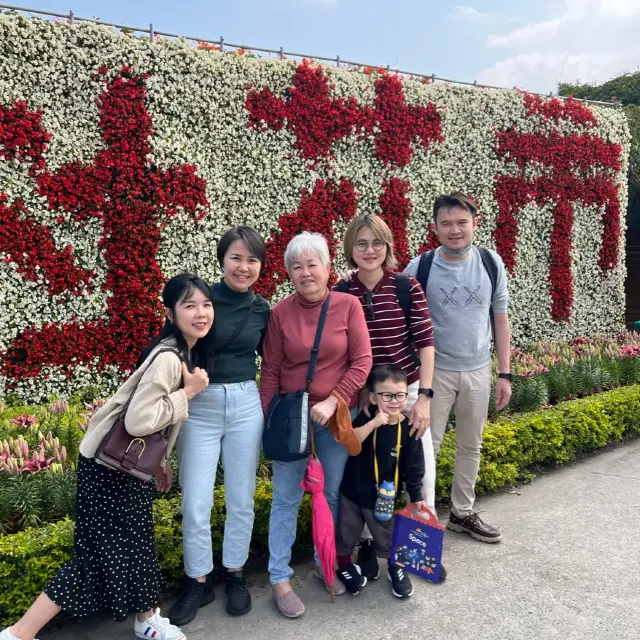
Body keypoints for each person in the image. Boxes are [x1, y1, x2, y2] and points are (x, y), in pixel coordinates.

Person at [0, 274, 213, 640]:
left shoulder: (180, 351)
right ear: (170, 312)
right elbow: (140, 419)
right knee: (93, 559)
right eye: (189, 305)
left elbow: (150, 423)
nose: (200, 313)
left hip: (124, 467)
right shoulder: (169, 357)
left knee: (139, 543)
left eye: (206, 305)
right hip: (109, 470)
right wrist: (189, 394)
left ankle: (146, 619)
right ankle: (19, 633)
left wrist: (158, 464)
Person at [259, 232, 372, 618]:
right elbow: (271, 372)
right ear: (288, 273)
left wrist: (334, 400)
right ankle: (280, 577)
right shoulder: (279, 314)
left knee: (332, 496)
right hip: (293, 422)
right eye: (297, 266)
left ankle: (330, 563)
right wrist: (267, 422)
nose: (305, 273)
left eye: (312, 265)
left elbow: (362, 362)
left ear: (327, 269)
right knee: (286, 499)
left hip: (336, 420)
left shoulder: (348, 306)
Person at [169, 227, 270, 626]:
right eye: (236, 258)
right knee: (196, 501)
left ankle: (235, 571)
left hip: (246, 403)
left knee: (241, 498)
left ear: (260, 265)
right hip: (201, 403)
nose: (244, 267)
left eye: (252, 260)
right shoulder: (201, 300)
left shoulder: (263, 309)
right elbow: (172, 348)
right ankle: (198, 579)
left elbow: (276, 361)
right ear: (222, 259)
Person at [404, 192, 512, 543]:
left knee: (471, 444)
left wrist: (504, 373)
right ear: (434, 228)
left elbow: (500, 318)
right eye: (446, 224)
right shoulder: (420, 267)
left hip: (479, 370)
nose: (454, 230)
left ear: (475, 224)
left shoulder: (491, 262)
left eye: (461, 223)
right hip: (433, 373)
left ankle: (462, 514)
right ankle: (422, 521)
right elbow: (388, 294)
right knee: (425, 449)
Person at [337, 213, 439, 580]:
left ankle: (419, 551)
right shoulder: (341, 291)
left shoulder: (406, 287)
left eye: (377, 243)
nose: (369, 250)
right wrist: (361, 390)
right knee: (366, 473)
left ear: (388, 247)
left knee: (418, 472)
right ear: (350, 248)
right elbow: (343, 349)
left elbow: (426, 345)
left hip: (405, 392)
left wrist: (423, 398)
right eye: (361, 243)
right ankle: (369, 549)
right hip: (364, 396)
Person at [336, 364, 426, 599]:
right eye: (386, 395)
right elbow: (352, 445)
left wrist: (416, 496)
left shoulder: (408, 429)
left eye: (400, 395)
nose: (394, 401)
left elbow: (414, 467)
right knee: (347, 532)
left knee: (387, 535)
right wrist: (373, 423)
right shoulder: (364, 419)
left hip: (383, 498)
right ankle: (344, 564)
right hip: (353, 492)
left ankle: (396, 568)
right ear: (374, 398)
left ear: (407, 395)